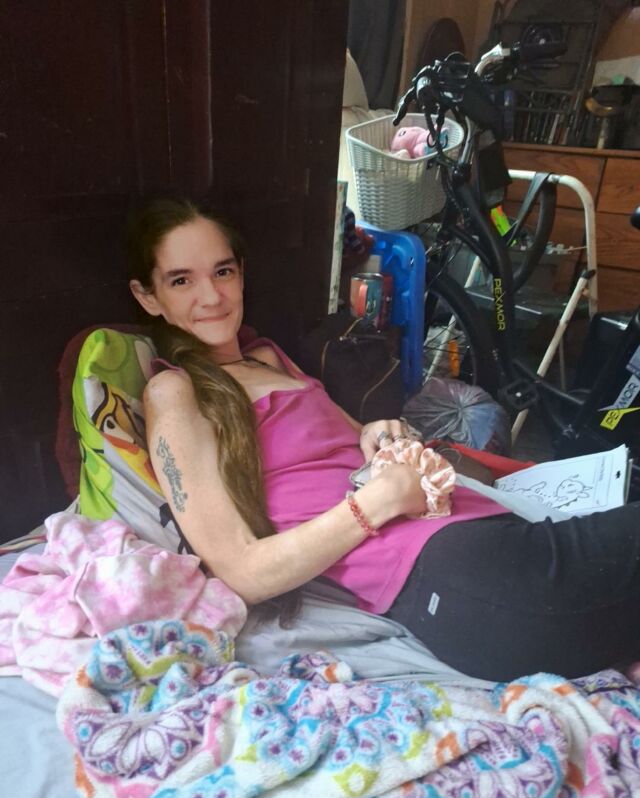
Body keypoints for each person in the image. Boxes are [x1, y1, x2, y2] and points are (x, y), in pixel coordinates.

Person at [127, 196, 640, 683]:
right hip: (452, 575)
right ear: (147, 296)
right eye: (181, 280)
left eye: (222, 271)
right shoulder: (175, 392)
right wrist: (379, 500)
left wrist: (375, 431)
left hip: (486, 530)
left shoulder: (266, 357)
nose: (212, 297)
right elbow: (241, 570)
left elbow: (348, 443)